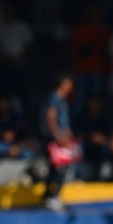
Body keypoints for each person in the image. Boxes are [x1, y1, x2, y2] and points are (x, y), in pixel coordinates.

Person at [41, 73, 76, 213]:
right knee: (61, 167)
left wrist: (68, 134)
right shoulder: (54, 98)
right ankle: (53, 196)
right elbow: (51, 117)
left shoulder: (62, 100)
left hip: (61, 138)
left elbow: (63, 120)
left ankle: (48, 196)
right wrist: (58, 136)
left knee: (54, 168)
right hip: (56, 141)